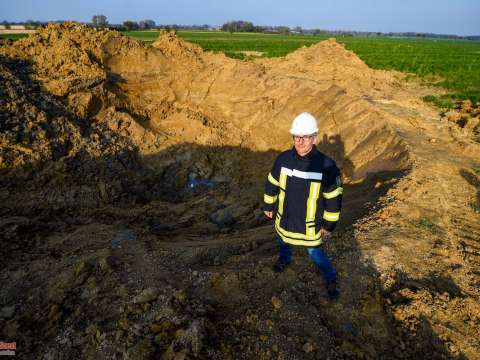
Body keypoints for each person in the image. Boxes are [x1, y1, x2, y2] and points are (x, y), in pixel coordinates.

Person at [263, 112, 343, 299]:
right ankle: (284, 259)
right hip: (285, 219)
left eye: (305, 137)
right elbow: (271, 183)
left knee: (316, 254)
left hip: (310, 225)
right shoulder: (283, 160)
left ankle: (330, 278)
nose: (300, 142)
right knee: (283, 242)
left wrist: (328, 225)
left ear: (314, 138)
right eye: (297, 137)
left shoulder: (326, 166)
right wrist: (268, 204)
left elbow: (333, 198)